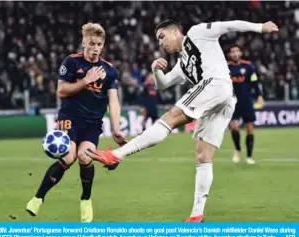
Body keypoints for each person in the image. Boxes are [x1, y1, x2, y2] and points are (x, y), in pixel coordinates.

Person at [86, 19, 279, 222]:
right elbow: (164, 84)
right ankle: (197, 214)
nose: (160, 43)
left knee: (170, 118)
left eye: (162, 37)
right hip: (225, 98)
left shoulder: (197, 33)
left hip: (216, 84)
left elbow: (227, 25)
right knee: (203, 157)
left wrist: (260, 27)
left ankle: (117, 154)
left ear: (175, 32)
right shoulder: (183, 63)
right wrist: (155, 70)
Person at [25, 23, 126, 222]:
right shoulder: (71, 63)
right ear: (83, 43)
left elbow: (113, 101)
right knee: (69, 157)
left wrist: (116, 128)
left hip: (92, 123)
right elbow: (61, 91)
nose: (95, 48)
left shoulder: (110, 71)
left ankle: (86, 200)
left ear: (103, 44)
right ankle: (38, 198)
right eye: (91, 44)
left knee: (85, 157)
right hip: (69, 119)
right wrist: (85, 81)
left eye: (99, 44)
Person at [228, 45, 265, 164]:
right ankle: (237, 150)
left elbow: (254, 82)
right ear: (230, 54)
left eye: (237, 51)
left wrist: (259, 97)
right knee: (234, 127)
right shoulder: (226, 68)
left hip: (247, 102)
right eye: (232, 52)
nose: (235, 54)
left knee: (250, 129)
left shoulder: (248, 66)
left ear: (241, 53)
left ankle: (249, 156)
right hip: (232, 103)